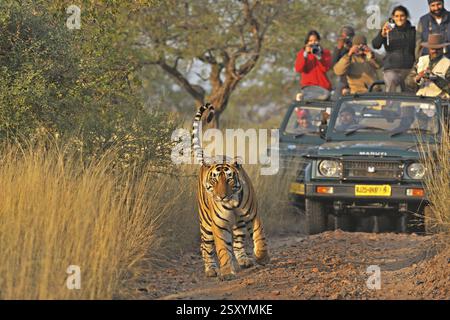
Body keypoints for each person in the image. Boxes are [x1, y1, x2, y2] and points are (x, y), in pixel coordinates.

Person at [372, 6, 416, 92]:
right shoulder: (387, 30)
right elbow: (375, 45)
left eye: (402, 15)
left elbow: (415, 48)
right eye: (396, 16)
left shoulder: (412, 31)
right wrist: (382, 34)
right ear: (393, 17)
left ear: (406, 16)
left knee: (409, 94)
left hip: (408, 69)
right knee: (391, 84)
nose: (399, 18)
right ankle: (390, 105)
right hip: (391, 68)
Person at [406, 33, 450, 98]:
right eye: (432, 48)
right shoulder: (421, 60)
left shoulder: (448, 64)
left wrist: (435, 78)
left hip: (439, 103)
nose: (435, 51)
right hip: (421, 101)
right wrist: (417, 78)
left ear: (442, 48)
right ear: (429, 48)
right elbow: (408, 82)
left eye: (438, 49)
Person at [295, 30, 332, 100]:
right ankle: (303, 97)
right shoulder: (302, 53)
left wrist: (319, 57)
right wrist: (305, 54)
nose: (313, 43)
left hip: (324, 87)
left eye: (315, 40)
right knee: (325, 95)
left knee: (333, 98)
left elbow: (326, 68)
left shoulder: (325, 52)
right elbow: (299, 69)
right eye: (310, 41)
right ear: (307, 43)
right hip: (309, 86)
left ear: (319, 41)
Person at [332, 26, 355, 98]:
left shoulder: (355, 47)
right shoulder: (339, 48)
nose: (346, 39)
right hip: (344, 81)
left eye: (348, 36)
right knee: (335, 99)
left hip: (356, 81)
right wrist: (339, 48)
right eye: (343, 36)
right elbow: (333, 65)